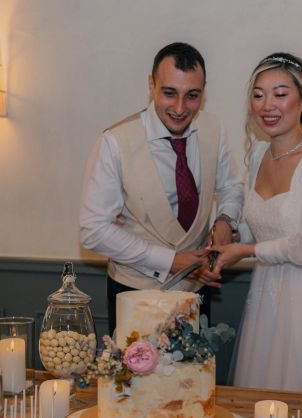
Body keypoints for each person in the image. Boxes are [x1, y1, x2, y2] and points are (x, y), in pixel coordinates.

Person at [210, 53, 302, 392]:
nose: (267, 105)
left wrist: (245, 250)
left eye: (280, 94)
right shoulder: (258, 154)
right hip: (266, 294)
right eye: (258, 95)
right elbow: (261, 224)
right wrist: (226, 229)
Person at [80, 42, 244, 336]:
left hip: (197, 291)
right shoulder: (115, 141)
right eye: (169, 93)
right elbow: (93, 230)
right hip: (134, 293)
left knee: (192, 380)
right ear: (151, 84)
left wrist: (225, 220)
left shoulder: (214, 129)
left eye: (192, 96)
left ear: (203, 91)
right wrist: (169, 261)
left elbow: (232, 187)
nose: (180, 108)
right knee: (137, 382)